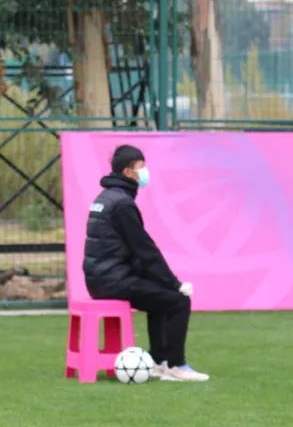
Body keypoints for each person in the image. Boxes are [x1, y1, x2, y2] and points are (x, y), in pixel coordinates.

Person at [83, 144, 210, 383]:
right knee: (178, 301)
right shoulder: (122, 204)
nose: (145, 172)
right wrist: (174, 284)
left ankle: (159, 362)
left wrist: (162, 281)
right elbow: (144, 249)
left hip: (101, 279)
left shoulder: (105, 198)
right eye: (141, 167)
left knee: (160, 298)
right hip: (113, 280)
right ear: (128, 172)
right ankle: (176, 365)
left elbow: (128, 250)